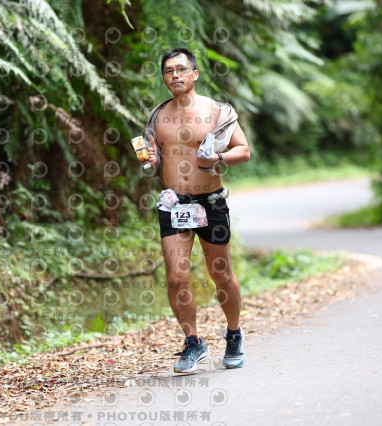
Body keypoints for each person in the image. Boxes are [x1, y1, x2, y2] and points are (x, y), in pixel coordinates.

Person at [144, 48, 251, 373]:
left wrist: (218, 158)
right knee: (176, 278)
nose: (174, 75)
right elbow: (154, 158)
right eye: (168, 71)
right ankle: (193, 342)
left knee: (221, 273)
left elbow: (243, 150)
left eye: (181, 69)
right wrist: (151, 160)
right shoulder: (157, 116)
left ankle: (234, 333)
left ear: (195, 74)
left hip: (210, 202)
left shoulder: (217, 111)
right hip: (173, 204)